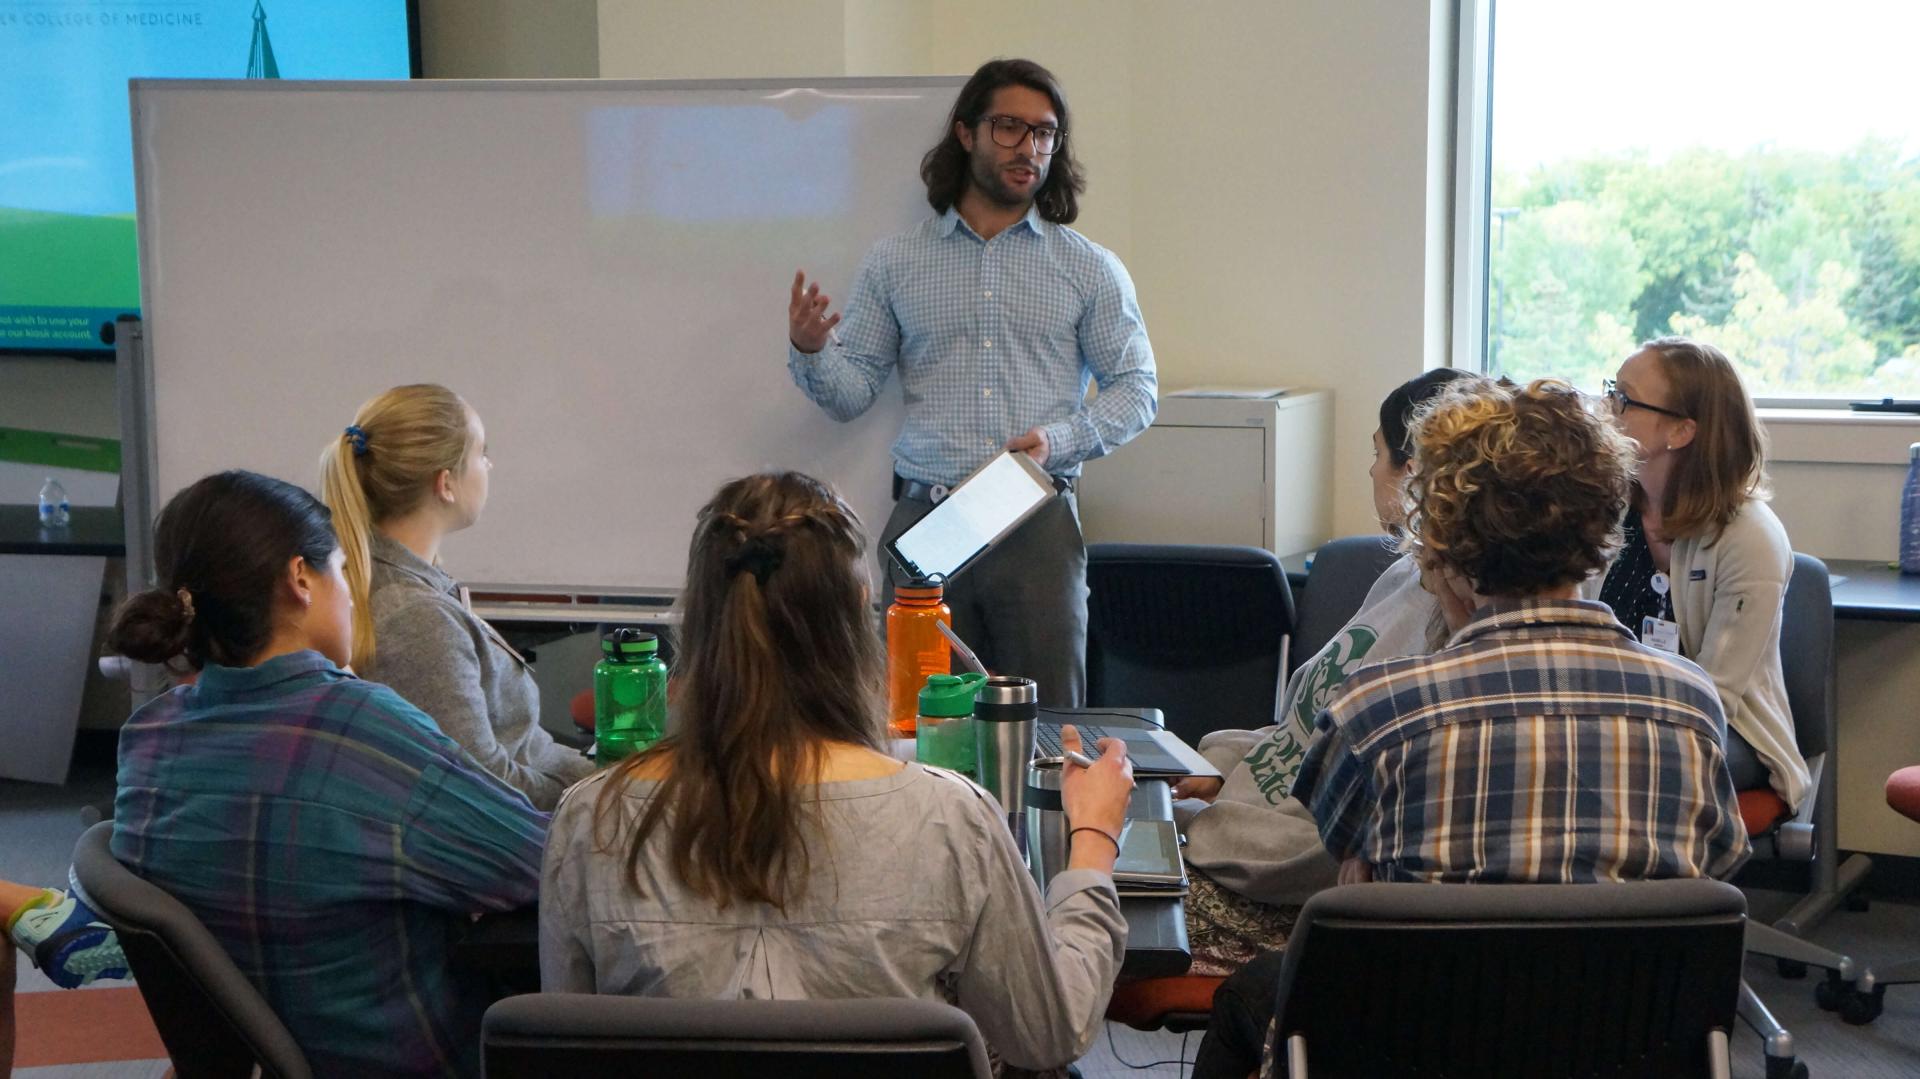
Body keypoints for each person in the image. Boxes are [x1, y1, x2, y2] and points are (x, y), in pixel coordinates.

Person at [1193, 379, 1751, 1079]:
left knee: (1255, 990)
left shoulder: (1377, 714)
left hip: (1424, 1045)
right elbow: (1713, 873)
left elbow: (1350, 888)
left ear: (1446, 545)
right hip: (1623, 1049)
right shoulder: (1693, 707)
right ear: (1604, 527)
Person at [540, 472, 1136, 1074]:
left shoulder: (592, 818)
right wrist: (1093, 841)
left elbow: (565, 1050)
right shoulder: (953, 818)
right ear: (857, 614)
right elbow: (1049, 1035)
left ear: (696, 620)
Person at [108, 470, 548, 1077]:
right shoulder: (360, 729)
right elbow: (539, 864)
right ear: (300, 580)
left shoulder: (149, 738)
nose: (351, 592)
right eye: (342, 570)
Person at [786, 58, 1157, 707]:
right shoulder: (896, 263)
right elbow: (851, 393)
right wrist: (812, 350)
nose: (1030, 148)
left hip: (1034, 517)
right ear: (966, 133)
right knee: (916, 719)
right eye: (1010, 128)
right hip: (928, 518)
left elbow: (1137, 388)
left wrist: (1058, 438)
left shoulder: (1088, 268)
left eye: (1044, 133)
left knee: (1044, 726)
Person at [1159, 369, 1477, 979]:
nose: (1370, 470)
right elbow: (1304, 731)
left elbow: (1324, 848)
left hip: (1277, 885)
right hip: (1246, 835)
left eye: (1377, 453)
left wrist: (1196, 827)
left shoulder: (1446, 618)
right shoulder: (1405, 576)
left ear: (1415, 474)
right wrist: (1221, 768)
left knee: (1075, 890)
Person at [320, 383, 593, 810]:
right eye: (481, 452)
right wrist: (603, 795)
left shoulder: (417, 588)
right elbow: (483, 786)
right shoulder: (416, 619)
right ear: (445, 483)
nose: (489, 464)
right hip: (520, 843)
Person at [1597, 336, 1811, 811]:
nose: (1606, 408)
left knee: (1630, 763)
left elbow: (1714, 696)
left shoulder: (1749, 536)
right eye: (1611, 390)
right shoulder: (1606, 512)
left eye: (1624, 399)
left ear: (1681, 432)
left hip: (1725, 731)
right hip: (1615, 724)